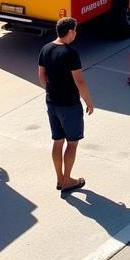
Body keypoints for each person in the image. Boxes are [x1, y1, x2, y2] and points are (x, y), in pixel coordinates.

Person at [37, 17, 93, 194]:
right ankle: (68, 180)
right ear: (69, 32)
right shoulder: (70, 53)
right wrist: (89, 102)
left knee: (57, 141)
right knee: (72, 143)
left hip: (51, 102)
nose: (76, 33)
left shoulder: (45, 48)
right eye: (75, 30)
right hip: (69, 104)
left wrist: (51, 90)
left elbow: (41, 76)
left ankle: (60, 179)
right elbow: (80, 81)